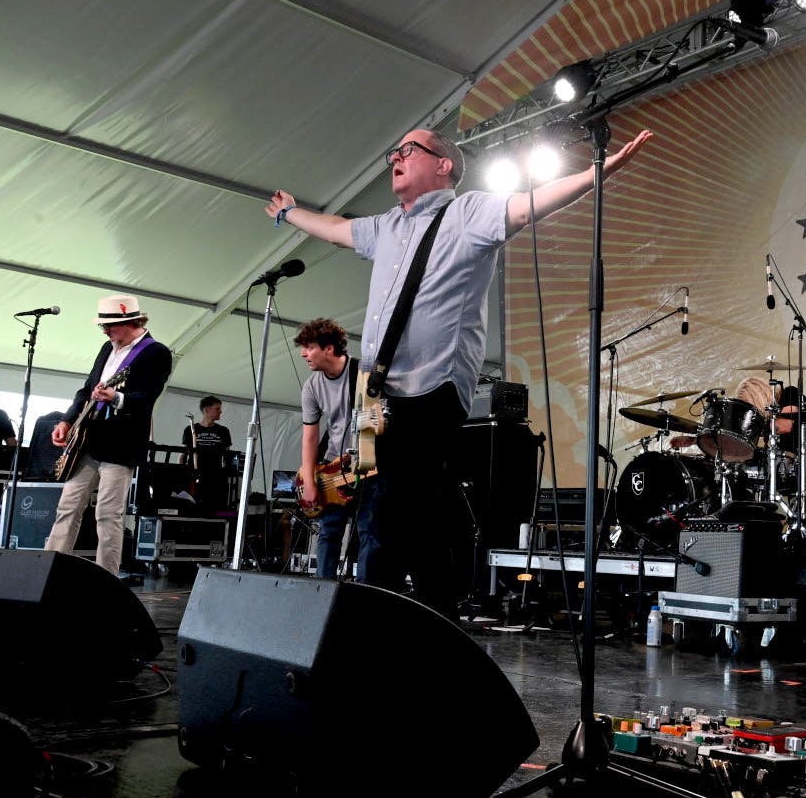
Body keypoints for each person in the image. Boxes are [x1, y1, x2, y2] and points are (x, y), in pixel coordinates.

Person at [267, 126, 653, 617]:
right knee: (385, 512)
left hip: (429, 390)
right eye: (394, 151)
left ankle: (382, 623)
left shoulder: (468, 213)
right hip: (373, 392)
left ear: (443, 164)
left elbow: (527, 206)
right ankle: (419, 619)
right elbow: (335, 229)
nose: (395, 158)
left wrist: (597, 173)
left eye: (407, 150)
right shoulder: (386, 225)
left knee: (396, 513)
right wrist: (289, 213)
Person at [45, 295, 173, 576]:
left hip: (122, 444)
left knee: (108, 514)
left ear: (130, 322)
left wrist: (116, 397)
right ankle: (49, 570)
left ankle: (107, 579)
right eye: (103, 326)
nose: (105, 331)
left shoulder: (157, 352)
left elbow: (148, 398)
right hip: (89, 440)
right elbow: (86, 390)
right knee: (67, 506)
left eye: (110, 326)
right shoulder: (107, 348)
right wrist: (67, 420)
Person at [293, 318, 375, 581]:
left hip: (368, 465)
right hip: (332, 468)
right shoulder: (311, 386)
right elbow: (309, 438)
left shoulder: (364, 373)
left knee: (369, 532)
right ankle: (322, 590)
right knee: (329, 532)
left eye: (309, 347)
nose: (303, 353)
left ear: (329, 349)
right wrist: (309, 482)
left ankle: (365, 592)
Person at [180, 395, 233, 513]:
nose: (221, 411)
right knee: (192, 507)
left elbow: (227, 456)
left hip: (215, 477)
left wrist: (225, 475)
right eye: (217, 408)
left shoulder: (223, 431)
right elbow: (183, 454)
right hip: (194, 474)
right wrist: (181, 473)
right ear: (206, 410)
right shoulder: (190, 429)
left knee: (212, 509)